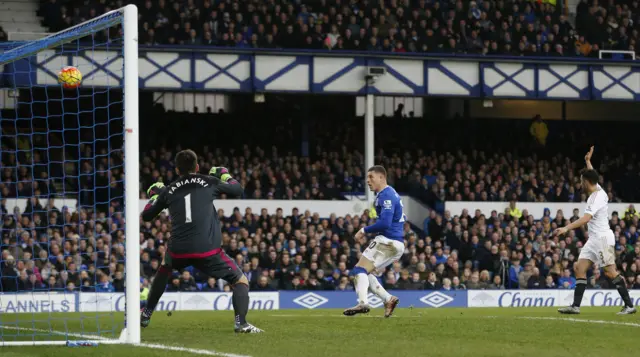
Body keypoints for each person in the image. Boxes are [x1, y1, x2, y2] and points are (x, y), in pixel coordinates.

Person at [140, 149, 263, 333]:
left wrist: (155, 197)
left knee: (165, 268)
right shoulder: (209, 181)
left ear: (177, 170)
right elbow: (238, 189)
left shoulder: (169, 189)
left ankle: (146, 314)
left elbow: (147, 215)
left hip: (178, 250)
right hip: (207, 250)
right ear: (197, 167)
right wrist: (224, 174)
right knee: (240, 281)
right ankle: (241, 323)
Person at [554, 146, 636, 315]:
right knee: (579, 268)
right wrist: (588, 161)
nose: (580, 183)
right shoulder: (599, 190)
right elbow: (593, 175)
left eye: (581, 180)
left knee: (610, 271)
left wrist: (566, 228)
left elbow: (586, 219)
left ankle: (629, 305)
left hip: (603, 238)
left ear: (586, 182)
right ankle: (575, 306)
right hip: (594, 239)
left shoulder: (595, 198)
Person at [343, 165, 404, 318]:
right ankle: (388, 299)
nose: (367, 181)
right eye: (367, 177)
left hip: (387, 241)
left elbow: (385, 224)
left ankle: (363, 302)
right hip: (395, 243)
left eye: (371, 177)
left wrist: (363, 230)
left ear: (381, 178)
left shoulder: (386, 195)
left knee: (358, 270)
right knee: (365, 272)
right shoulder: (389, 194)